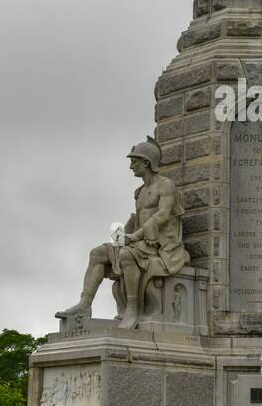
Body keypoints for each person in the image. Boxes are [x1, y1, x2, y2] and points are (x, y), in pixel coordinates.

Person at [56, 137, 189, 328]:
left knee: (127, 254)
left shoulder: (166, 185)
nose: (131, 167)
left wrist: (136, 236)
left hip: (162, 246)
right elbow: (139, 218)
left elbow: (163, 216)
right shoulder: (140, 191)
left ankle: (132, 309)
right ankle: (85, 304)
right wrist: (124, 234)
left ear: (146, 162)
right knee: (98, 253)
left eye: (134, 162)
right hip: (141, 241)